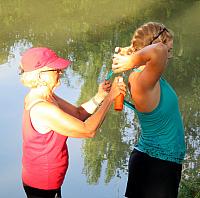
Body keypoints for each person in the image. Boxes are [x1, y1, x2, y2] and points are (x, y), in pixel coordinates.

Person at [19, 47, 126, 198]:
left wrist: (100, 96)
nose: (60, 72)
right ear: (40, 75)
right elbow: (88, 130)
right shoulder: (41, 108)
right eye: (55, 69)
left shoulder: (47, 96)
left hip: (47, 182)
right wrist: (110, 99)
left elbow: (78, 114)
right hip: (42, 185)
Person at [112, 22, 186, 198]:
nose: (169, 54)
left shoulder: (150, 77)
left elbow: (156, 51)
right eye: (170, 49)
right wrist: (132, 59)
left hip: (161, 165)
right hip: (155, 167)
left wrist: (133, 54)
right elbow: (158, 50)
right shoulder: (140, 81)